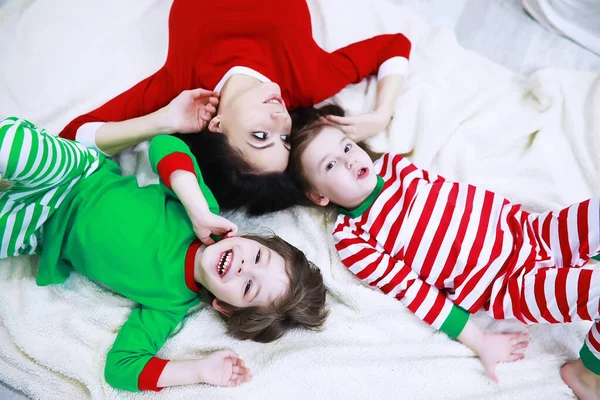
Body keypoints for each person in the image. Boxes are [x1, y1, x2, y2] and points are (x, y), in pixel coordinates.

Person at [288, 109, 600, 399]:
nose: (349, 161)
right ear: (319, 195)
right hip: (510, 284)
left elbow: (451, 194)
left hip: (530, 230)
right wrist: (480, 341)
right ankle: (586, 375)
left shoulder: (394, 166)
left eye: (346, 148)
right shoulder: (352, 237)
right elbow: (414, 292)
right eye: (330, 165)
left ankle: (582, 263)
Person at [0, 116, 328, 393]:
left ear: (224, 307)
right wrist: (195, 206)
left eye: (247, 287)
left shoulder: (169, 306)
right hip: (78, 175)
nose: (244, 267)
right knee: (11, 144)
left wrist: (196, 371)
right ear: (247, 237)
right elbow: (165, 145)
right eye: (257, 257)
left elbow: (121, 368)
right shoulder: (204, 213)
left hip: (41, 229)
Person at [57, 0, 412, 214]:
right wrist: (380, 115)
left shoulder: (181, 85)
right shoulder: (305, 80)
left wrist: (161, 121)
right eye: (285, 139)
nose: (279, 118)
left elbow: (72, 139)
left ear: (217, 125)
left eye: (261, 135)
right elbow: (394, 47)